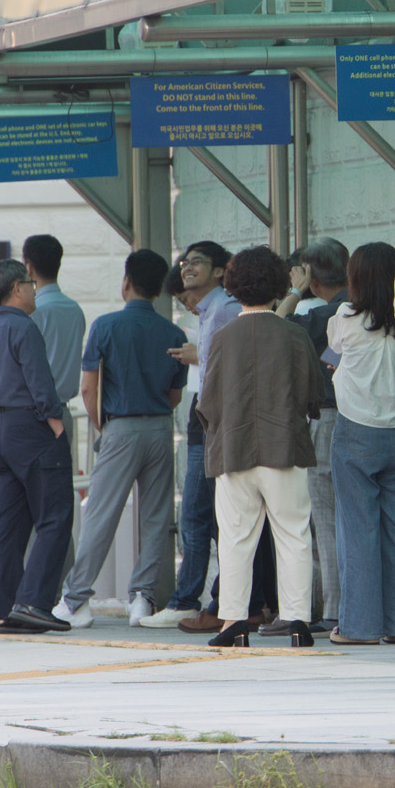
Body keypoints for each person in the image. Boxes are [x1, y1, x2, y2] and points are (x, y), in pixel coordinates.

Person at [197, 246, 327, 649]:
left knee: (235, 538)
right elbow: (313, 393)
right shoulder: (294, 334)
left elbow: (208, 400)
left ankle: (233, 620)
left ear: (234, 287)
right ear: (280, 284)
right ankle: (297, 620)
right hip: (284, 446)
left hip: (233, 447)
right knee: (293, 534)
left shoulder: (222, 336)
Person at [54, 250, 188, 629]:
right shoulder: (173, 332)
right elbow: (175, 395)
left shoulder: (105, 326)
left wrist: (104, 427)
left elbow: (88, 386)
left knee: (101, 514)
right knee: (155, 515)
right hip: (160, 427)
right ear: (160, 289)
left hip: (120, 427)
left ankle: (76, 599)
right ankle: (142, 599)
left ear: (126, 282)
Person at [0, 257, 74, 634]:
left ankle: (0, 610)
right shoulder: (25, 329)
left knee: (8, 527)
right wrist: (56, 426)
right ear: (18, 289)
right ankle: (33, 602)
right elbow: (40, 381)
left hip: (1, 434)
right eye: (30, 284)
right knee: (55, 517)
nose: (34, 289)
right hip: (33, 428)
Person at [327, 242, 395, 645]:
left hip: (355, 430)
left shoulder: (346, 317)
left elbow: (332, 352)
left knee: (358, 527)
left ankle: (360, 626)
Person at [144, 242, 239, 631]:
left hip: (217, 416)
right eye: (185, 262)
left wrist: (199, 355)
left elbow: (233, 361)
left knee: (203, 513)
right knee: (203, 513)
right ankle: (206, 599)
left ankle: (193, 599)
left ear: (220, 271)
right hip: (205, 413)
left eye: (197, 262)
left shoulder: (227, 308)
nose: (187, 267)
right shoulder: (210, 310)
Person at [288, 237, 349, 629]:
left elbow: (272, 326)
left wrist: (294, 291)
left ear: (311, 276)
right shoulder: (365, 308)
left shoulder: (322, 317)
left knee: (324, 518)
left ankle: (332, 609)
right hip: (372, 421)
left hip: (328, 421)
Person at [22, 234, 86, 407]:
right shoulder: (75, 310)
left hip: (35, 413)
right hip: (64, 410)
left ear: (28, 268)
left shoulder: (32, 311)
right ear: (59, 264)